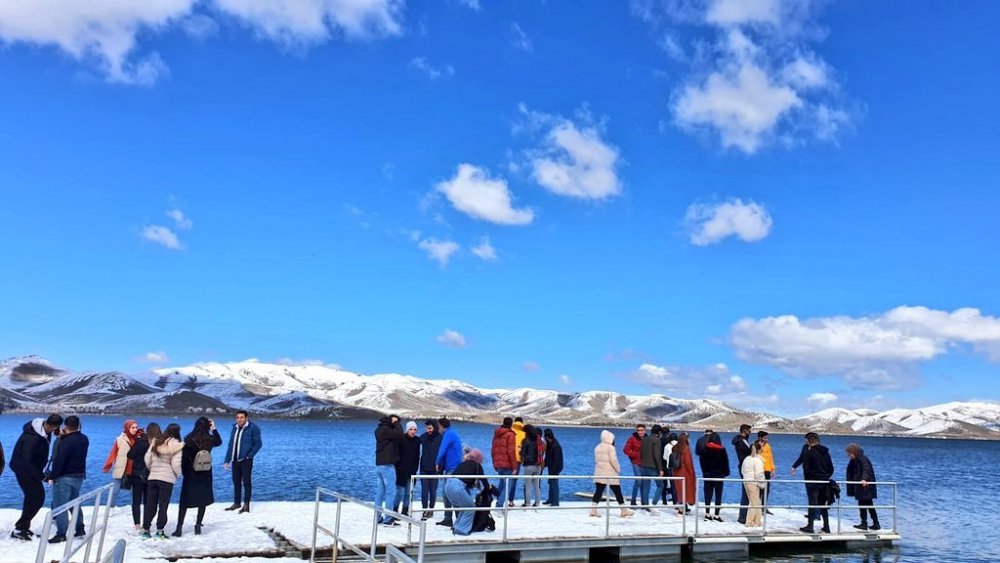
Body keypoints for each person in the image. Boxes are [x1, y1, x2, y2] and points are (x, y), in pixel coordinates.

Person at [9, 413, 62, 540]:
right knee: (37, 497)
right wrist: (42, 477)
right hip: (24, 470)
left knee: (34, 498)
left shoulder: (44, 431)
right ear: (54, 426)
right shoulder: (31, 438)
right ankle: (19, 528)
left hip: (31, 470)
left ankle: (22, 527)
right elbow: (26, 461)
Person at [174, 417, 223, 536]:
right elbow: (219, 442)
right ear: (207, 426)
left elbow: (184, 459)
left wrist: (184, 472)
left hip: (191, 473)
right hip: (205, 472)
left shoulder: (189, 439)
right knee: (202, 500)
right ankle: (197, 526)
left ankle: (179, 528)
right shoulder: (210, 439)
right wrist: (214, 429)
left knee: (184, 501)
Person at [47, 415, 89, 543]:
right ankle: (80, 528)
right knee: (74, 503)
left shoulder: (65, 442)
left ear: (65, 426)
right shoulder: (84, 439)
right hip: (79, 476)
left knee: (61, 506)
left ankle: (61, 533)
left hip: (64, 477)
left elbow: (60, 461)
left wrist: (52, 476)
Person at [143, 423, 184, 540]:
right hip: (167, 479)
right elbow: (176, 464)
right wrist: (177, 474)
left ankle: (146, 529)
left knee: (150, 505)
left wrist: (152, 469)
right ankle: (160, 531)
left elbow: (147, 458)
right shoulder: (176, 445)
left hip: (153, 478)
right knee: (163, 506)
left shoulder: (157, 442)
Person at [445, 448, 497, 536]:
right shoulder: (477, 466)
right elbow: (485, 483)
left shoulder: (463, 464)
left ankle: (457, 526)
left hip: (448, 485)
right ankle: (461, 530)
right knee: (470, 507)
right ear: (478, 458)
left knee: (464, 506)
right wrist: (492, 489)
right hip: (457, 486)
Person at [224, 410, 262, 513]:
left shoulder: (253, 428)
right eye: (238, 417)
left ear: (246, 418)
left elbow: (258, 444)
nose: (239, 419)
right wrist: (227, 460)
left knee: (246, 482)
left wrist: (249, 456)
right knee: (236, 481)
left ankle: (246, 505)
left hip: (246, 460)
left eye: (241, 417)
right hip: (235, 459)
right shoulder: (234, 428)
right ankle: (237, 503)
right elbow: (231, 445)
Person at [590, 430, 635, 518]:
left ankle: (593, 510)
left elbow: (596, 461)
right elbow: (613, 460)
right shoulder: (611, 448)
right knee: (617, 491)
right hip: (610, 473)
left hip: (599, 472)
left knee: (598, 491)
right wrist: (618, 469)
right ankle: (624, 510)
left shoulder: (597, 447)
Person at [799, 432, 834, 534]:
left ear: (809, 442)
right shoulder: (826, 453)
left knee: (812, 503)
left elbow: (807, 468)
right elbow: (831, 468)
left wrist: (810, 477)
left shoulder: (810, 453)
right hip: (824, 481)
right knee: (823, 505)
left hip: (813, 482)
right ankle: (826, 526)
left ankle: (810, 526)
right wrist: (826, 477)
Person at [374, 414, 404, 525]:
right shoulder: (389, 431)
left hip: (379, 464)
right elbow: (400, 434)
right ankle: (388, 518)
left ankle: (377, 517)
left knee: (380, 492)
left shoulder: (378, 430)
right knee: (391, 492)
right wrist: (396, 423)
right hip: (388, 465)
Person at [102, 419, 140, 507]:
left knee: (134, 491)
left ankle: (134, 508)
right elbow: (113, 453)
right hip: (121, 468)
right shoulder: (119, 440)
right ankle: (111, 507)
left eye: (136, 427)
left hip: (134, 468)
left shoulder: (139, 439)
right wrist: (108, 466)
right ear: (127, 428)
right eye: (132, 427)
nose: (135, 429)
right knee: (115, 490)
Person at [127, 423, 157, 530]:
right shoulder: (156, 444)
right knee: (148, 501)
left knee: (136, 501)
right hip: (151, 475)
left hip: (137, 475)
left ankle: (137, 525)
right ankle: (146, 523)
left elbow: (130, 455)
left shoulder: (139, 443)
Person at [434, 417, 463, 527]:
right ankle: (448, 517)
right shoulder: (452, 433)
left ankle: (458, 517)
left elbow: (442, 449)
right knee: (446, 493)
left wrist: (437, 462)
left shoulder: (449, 434)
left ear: (441, 426)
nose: (438, 430)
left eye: (438, 427)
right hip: (450, 468)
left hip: (453, 468)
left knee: (450, 493)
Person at [845, 443, 880, 531]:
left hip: (866, 487)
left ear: (854, 452)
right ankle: (873, 523)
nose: (849, 456)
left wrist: (864, 479)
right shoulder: (855, 460)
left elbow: (866, 470)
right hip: (861, 487)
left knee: (865, 504)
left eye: (850, 453)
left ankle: (866, 523)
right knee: (866, 504)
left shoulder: (862, 459)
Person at [700, 432, 730, 521]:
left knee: (707, 495)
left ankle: (707, 513)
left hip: (708, 475)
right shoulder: (722, 450)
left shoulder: (704, 449)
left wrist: (704, 472)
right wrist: (725, 473)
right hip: (719, 475)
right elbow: (725, 463)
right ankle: (716, 515)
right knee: (718, 495)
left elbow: (702, 463)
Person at [394, 421, 421, 517]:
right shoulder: (401, 439)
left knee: (409, 493)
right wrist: (397, 468)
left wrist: (415, 469)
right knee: (399, 492)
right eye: (411, 429)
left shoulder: (417, 440)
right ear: (407, 430)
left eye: (415, 429)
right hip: (401, 470)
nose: (413, 431)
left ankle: (405, 511)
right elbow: (396, 454)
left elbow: (417, 456)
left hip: (412, 470)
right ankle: (394, 510)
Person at [490, 417, 517, 508]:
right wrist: (514, 467)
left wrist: (495, 463)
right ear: (511, 424)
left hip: (498, 464)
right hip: (508, 465)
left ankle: (498, 501)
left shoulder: (496, 434)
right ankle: (499, 504)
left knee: (502, 483)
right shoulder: (510, 435)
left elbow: (493, 449)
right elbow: (511, 451)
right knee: (508, 486)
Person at [418, 420, 442, 520]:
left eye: (430, 428)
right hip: (424, 467)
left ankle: (431, 509)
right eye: (427, 428)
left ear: (434, 428)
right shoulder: (423, 437)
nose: (428, 430)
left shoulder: (440, 438)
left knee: (433, 491)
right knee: (424, 490)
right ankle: (424, 510)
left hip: (435, 469)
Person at [741, 441, 766, 528]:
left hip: (746, 481)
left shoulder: (746, 459)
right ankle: (749, 522)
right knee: (754, 503)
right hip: (753, 482)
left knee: (756, 502)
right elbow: (759, 474)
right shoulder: (757, 461)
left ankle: (757, 521)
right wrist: (762, 483)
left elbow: (742, 471)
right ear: (759, 449)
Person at [639, 425, 664, 511]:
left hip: (644, 466)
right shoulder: (657, 440)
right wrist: (660, 469)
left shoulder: (644, 440)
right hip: (653, 467)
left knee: (646, 487)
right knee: (660, 485)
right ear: (659, 433)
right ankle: (654, 503)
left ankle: (645, 505)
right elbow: (657, 455)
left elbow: (641, 454)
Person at [519, 425, 544, 508]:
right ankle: (537, 502)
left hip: (528, 465)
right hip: (538, 465)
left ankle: (528, 503)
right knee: (537, 485)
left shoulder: (526, 441)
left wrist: (521, 453)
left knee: (528, 486)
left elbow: (522, 454)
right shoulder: (538, 440)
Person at [732, 424, 752, 524]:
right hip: (746, 467)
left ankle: (744, 515)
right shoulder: (742, 441)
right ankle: (743, 516)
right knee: (746, 492)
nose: (750, 433)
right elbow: (748, 453)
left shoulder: (740, 441)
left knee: (746, 491)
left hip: (743, 466)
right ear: (745, 431)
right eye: (749, 431)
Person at [673, 433, 697, 514]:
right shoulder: (686, 448)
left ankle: (682, 507)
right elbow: (687, 462)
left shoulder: (675, 447)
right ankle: (681, 509)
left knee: (679, 490)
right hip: (684, 471)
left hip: (676, 470)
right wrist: (691, 472)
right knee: (685, 489)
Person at [622, 424, 645, 506]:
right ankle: (633, 500)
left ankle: (644, 502)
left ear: (644, 430)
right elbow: (625, 450)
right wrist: (635, 455)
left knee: (644, 482)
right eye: (638, 430)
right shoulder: (632, 439)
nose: (640, 432)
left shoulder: (647, 438)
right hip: (636, 463)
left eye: (641, 430)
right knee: (638, 481)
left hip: (645, 464)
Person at [543, 428, 563, 506]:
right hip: (551, 466)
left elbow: (557, 459)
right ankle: (550, 499)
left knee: (554, 483)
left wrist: (554, 470)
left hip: (556, 467)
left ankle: (555, 501)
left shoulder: (555, 446)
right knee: (550, 483)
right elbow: (548, 456)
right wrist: (545, 464)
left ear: (547, 437)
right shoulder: (550, 444)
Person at [757, 431, 776, 514]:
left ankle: (764, 507)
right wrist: (760, 448)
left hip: (767, 470)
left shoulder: (768, 446)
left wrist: (773, 469)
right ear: (760, 438)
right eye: (765, 438)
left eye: (766, 438)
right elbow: (755, 455)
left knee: (766, 489)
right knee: (759, 490)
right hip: (759, 470)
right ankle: (757, 507)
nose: (766, 439)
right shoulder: (756, 445)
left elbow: (771, 458)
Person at [662, 431, 679, 507]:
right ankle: (681, 502)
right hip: (678, 468)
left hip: (669, 467)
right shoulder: (680, 445)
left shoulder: (667, 446)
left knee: (672, 486)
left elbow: (664, 457)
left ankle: (674, 501)